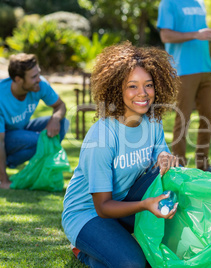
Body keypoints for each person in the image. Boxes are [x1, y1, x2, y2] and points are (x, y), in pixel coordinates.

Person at [62, 42, 180, 267]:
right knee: (134, 264)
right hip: (88, 214)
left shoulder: (152, 121)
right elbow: (103, 206)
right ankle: (83, 250)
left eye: (148, 85)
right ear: (117, 88)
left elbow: (160, 157)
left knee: (170, 178)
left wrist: (166, 158)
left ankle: (116, 242)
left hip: (125, 200)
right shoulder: (103, 136)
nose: (143, 94)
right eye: (132, 86)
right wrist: (146, 205)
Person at [157, 0, 211, 176]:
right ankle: (178, 168)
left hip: (205, 67)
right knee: (183, 119)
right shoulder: (168, 3)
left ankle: (203, 166)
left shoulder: (199, 2)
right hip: (183, 69)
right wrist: (196, 34)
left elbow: (200, 34)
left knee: (208, 118)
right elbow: (166, 36)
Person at [0, 53, 68, 189]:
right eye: (33, 77)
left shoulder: (40, 85)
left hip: (22, 129)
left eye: (38, 74)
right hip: (5, 136)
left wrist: (55, 118)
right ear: (18, 79)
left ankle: (38, 171)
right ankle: (7, 166)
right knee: (40, 140)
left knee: (62, 124)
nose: (39, 79)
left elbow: (60, 105)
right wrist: (3, 180)